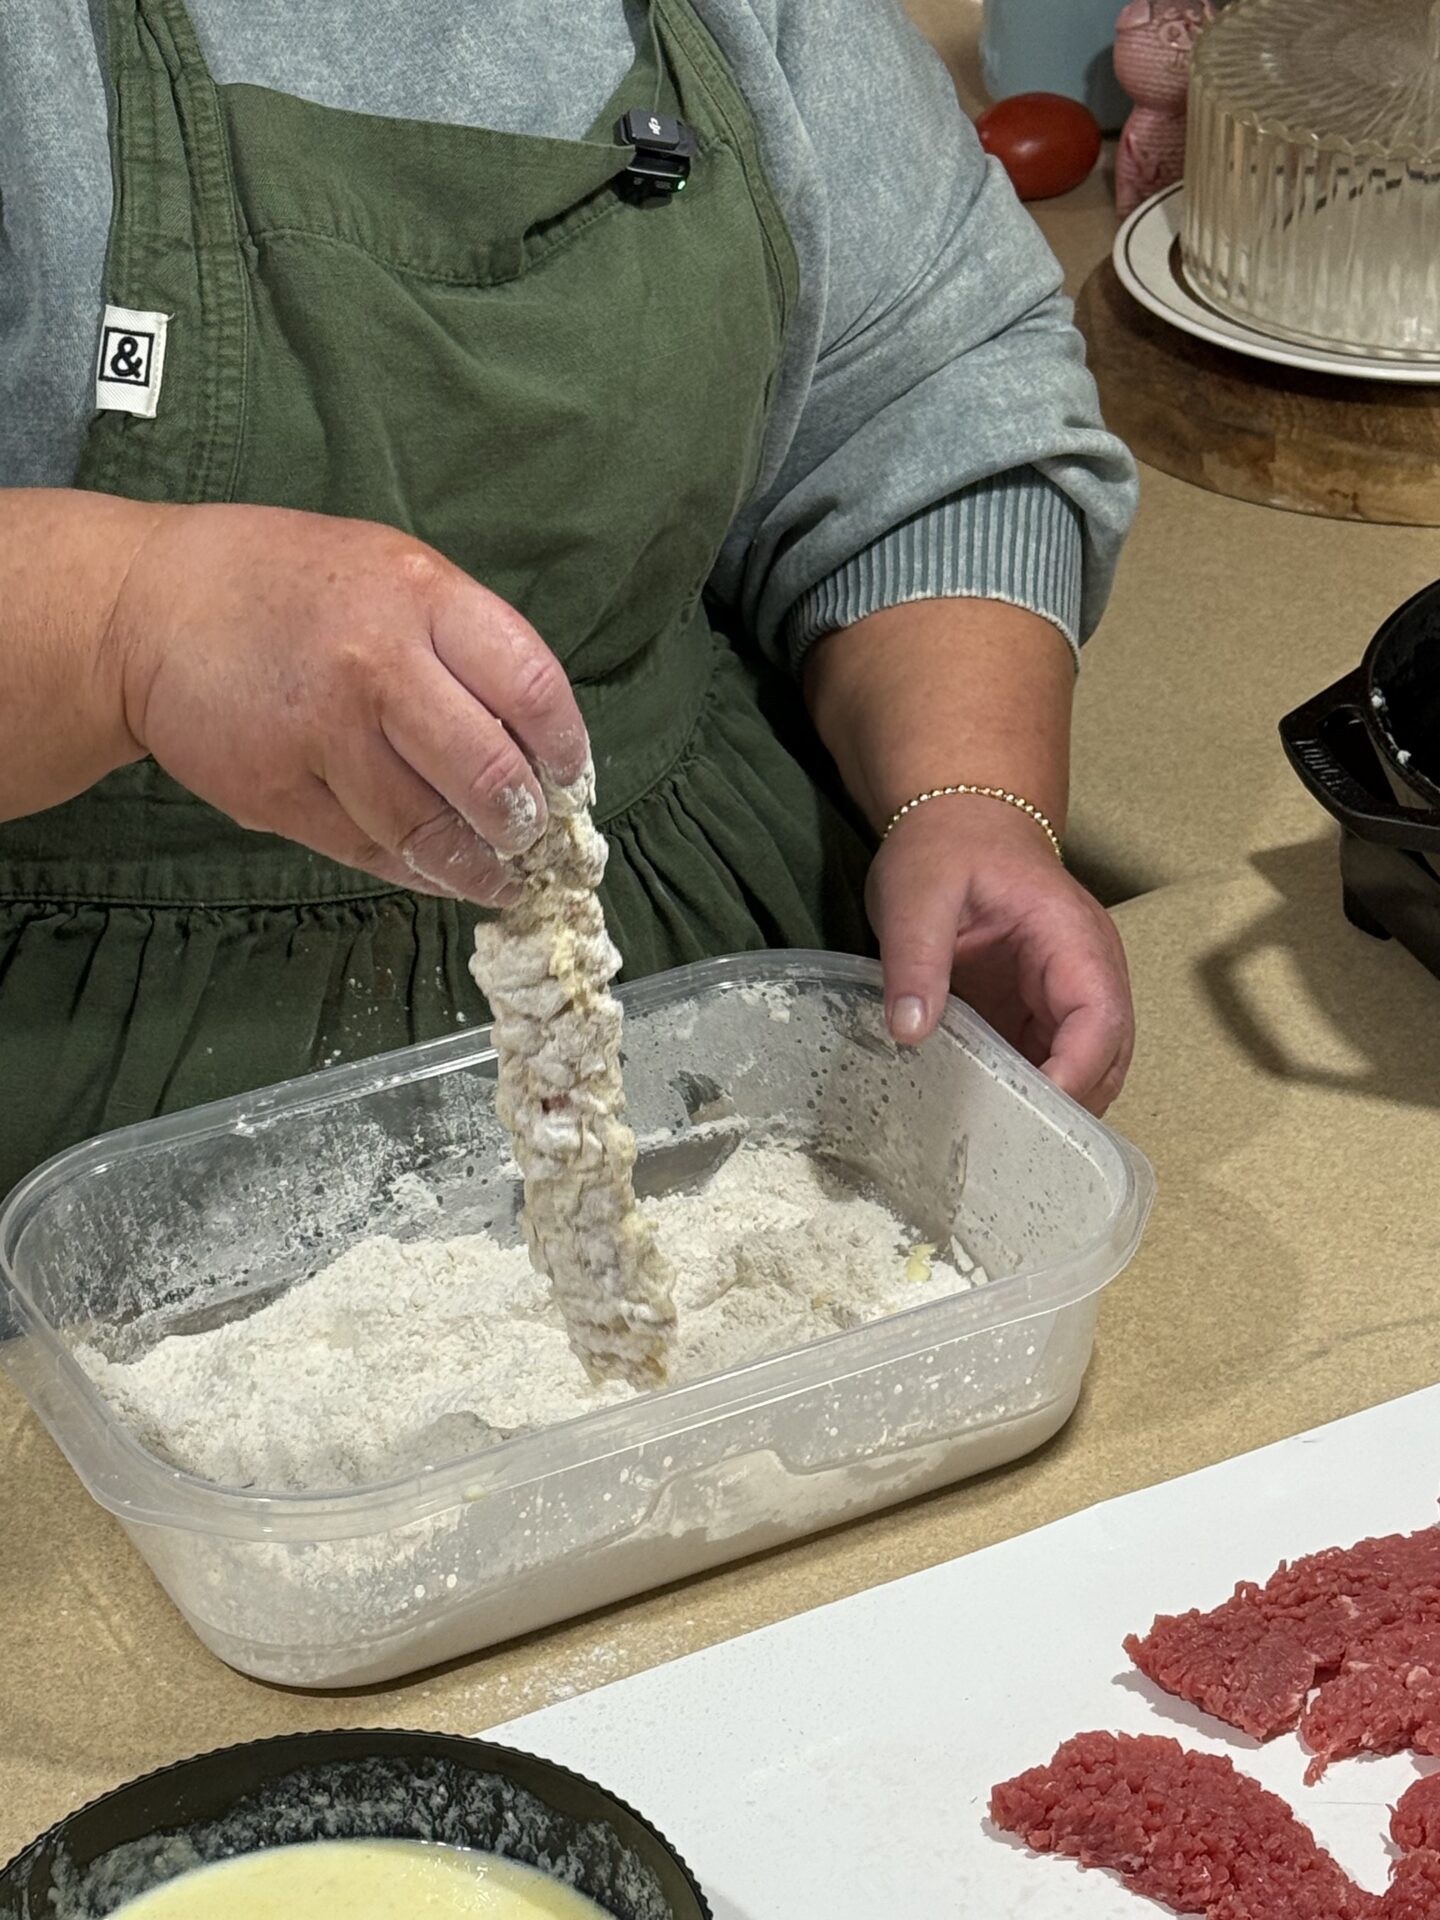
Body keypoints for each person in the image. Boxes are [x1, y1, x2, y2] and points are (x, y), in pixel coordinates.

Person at [0, 0, 1138, 1206]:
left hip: (700, 1005)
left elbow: (923, 396)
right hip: (80, 1100)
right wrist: (124, 619)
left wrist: (966, 795)